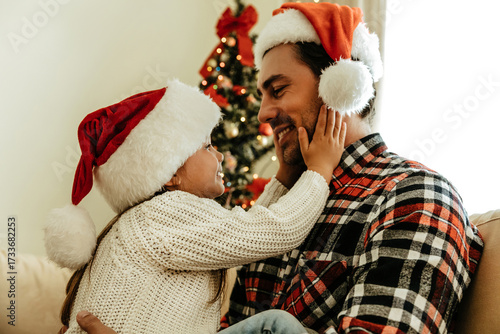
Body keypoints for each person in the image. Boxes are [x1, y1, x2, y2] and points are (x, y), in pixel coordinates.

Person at [59, 3, 484, 334]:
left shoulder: (413, 197)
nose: (263, 113)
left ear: (339, 86)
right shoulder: (286, 200)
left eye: (278, 90)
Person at [46, 78, 346, 334]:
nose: (218, 156)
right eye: (207, 146)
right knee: (276, 327)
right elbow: (274, 230)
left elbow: (243, 229)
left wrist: (282, 177)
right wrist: (319, 171)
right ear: (171, 172)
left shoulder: (149, 219)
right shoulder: (164, 214)